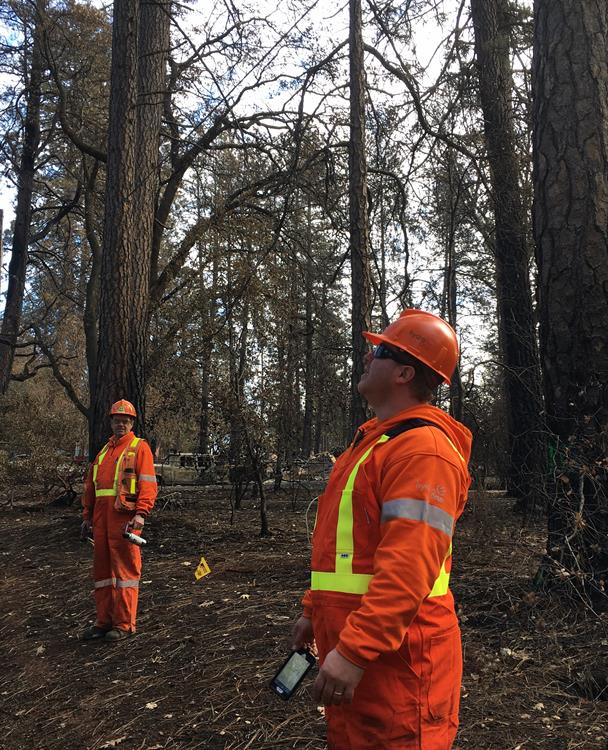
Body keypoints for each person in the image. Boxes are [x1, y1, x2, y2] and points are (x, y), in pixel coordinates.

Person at [292, 310, 472, 749]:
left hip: (401, 665)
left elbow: (409, 570)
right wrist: (314, 611)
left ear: (405, 373)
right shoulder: (373, 444)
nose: (368, 357)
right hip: (359, 656)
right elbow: (346, 550)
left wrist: (354, 650)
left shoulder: (424, 453)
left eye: (381, 351)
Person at [80, 399, 158, 641]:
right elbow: (91, 487)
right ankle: (104, 621)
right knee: (103, 572)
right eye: (117, 420)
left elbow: (148, 484)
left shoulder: (139, 447)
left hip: (124, 519)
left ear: (132, 423)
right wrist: (87, 516)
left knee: (125, 572)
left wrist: (141, 514)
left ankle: (124, 624)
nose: (120, 424)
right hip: (101, 519)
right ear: (111, 422)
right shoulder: (104, 451)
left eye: (125, 421)